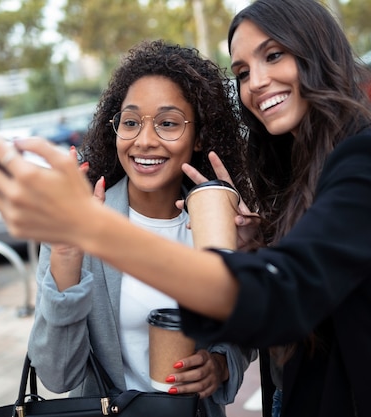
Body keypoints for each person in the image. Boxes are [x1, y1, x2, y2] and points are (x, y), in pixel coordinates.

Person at [0, 1, 371, 416]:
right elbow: (57, 371)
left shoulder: (367, 160)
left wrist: (220, 362)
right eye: (242, 72)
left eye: (274, 55)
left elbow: (280, 296)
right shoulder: (306, 177)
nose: (257, 82)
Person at [25, 39, 257, 417]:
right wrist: (66, 256)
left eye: (167, 123)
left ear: (199, 136)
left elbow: (245, 332)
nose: (145, 141)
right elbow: (57, 375)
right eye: (131, 122)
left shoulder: (220, 225)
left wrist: (221, 365)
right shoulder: (82, 226)